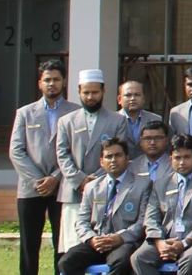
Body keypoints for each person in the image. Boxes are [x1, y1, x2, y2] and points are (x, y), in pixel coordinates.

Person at [9, 58, 76, 275]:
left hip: (62, 186)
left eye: (56, 79)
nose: (51, 84)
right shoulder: (25, 113)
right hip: (31, 188)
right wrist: (39, 180)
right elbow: (16, 151)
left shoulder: (75, 112)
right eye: (47, 80)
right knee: (29, 244)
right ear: (40, 83)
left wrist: (55, 177)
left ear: (64, 81)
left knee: (62, 242)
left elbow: (76, 152)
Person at [131, 134, 192, 275]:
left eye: (187, 157)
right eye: (177, 158)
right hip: (165, 239)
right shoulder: (160, 184)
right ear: (171, 159)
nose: (182, 162)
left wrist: (184, 243)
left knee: (189, 260)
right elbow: (151, 218)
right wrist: (159, 242)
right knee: (139, 258)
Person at [56, 137, 151, 275]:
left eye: (118, 155)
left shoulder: (142, 185)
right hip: (97, 242)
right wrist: (91, 239)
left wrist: (120, 238)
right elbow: (82, 221)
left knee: (121, 262)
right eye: (108, 156)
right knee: (66, 262)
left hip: (124, 242)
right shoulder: (91, 187)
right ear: (101, 161)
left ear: (127, 158)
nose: (113, 160)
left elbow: (143, 222)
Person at [55, 68, 125, 252]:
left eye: (95, 92)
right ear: (79, 91)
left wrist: (96, 181)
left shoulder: (117, 120)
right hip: (74, 190)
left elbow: (120, 154)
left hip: (107, 188)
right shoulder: (66, 121)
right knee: (72, 246)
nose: (90, 97)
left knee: (103, 243)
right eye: (86, 92)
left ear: (103, 91)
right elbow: (62, 154)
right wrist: (80, 180)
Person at [117, 80, 163, 151]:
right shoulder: (112, 120)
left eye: (137, 95)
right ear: (119, 99)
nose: (133, 98)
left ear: (144, 99)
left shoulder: (156, 119)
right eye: (128, 95)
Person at [133, 121, 174, 188]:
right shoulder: (132, 166)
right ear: (141, 142)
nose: (152, 142)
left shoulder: (174, 165)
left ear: (167, 140)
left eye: (158, 138)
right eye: (147, 138)